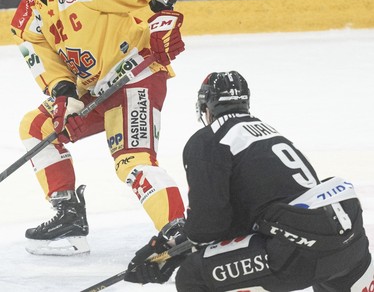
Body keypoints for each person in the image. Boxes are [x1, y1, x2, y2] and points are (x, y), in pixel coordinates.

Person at [6, 0, 187, 256]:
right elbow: (55, 74)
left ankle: (177, 230)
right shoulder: (24, 22)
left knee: (131, 160)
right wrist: (66, 103)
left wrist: (162, 20)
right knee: (36, 127)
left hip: (137, 76)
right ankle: (69, 218)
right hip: (94, 92)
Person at [125, 71, 373, 291]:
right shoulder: (270, 133)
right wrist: (176, 247)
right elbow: (264, 213)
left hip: (298, 255)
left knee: (194, 275)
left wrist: (175, 251)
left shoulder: (209, 140)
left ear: (206, 108)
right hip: (351, 246)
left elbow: (208, 227)